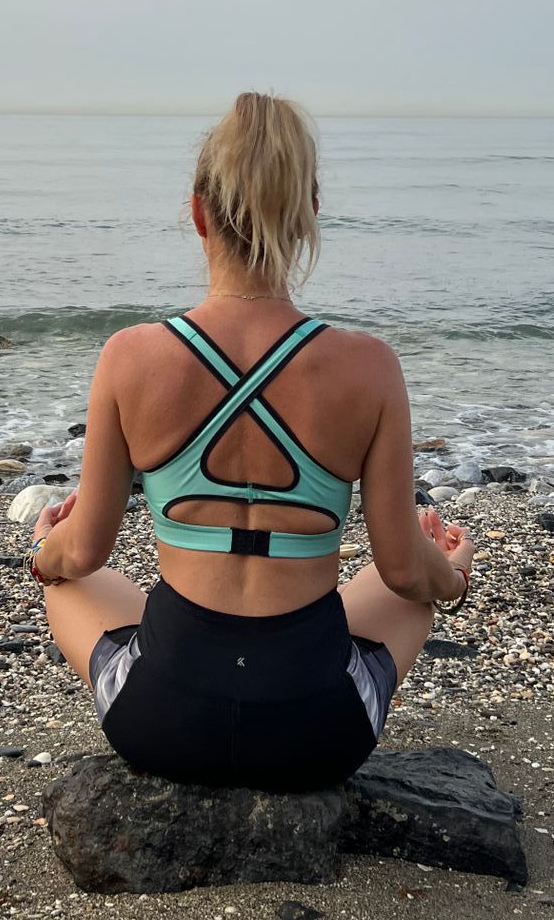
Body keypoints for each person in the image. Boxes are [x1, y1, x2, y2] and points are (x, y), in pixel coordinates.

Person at [28, 91, 475, 792]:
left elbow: (84, 552)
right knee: (416, 588)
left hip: (165, 724)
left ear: (198, 213)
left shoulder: (130, 357)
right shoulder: (369, 367)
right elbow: (402, 573)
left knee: (68, 583)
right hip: (317, 734)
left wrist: (43, 552)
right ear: (309, 214)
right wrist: (453, 577)